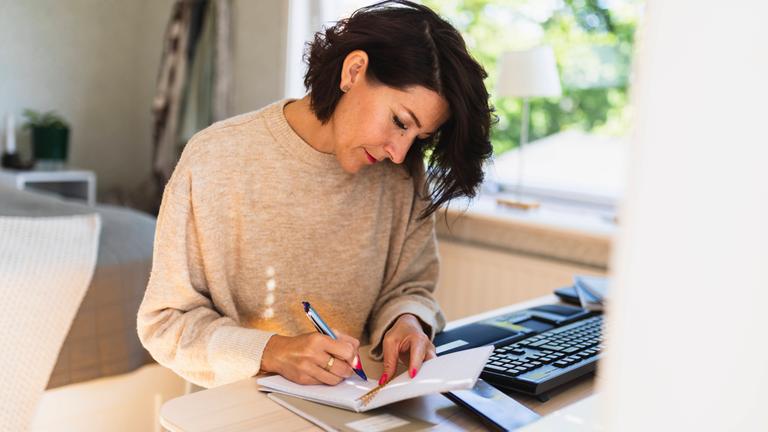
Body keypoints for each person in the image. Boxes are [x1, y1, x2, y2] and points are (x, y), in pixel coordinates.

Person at [137, 0, 493, 389]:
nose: (400, 152)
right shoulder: (216, 158)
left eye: (418, 138)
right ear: (354, 71)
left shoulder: (401, 176)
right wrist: (272, 351)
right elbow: (166, 322)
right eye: (399, 122)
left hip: (357, 404)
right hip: (240, 408)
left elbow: (409, 286)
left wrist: (405, 321)